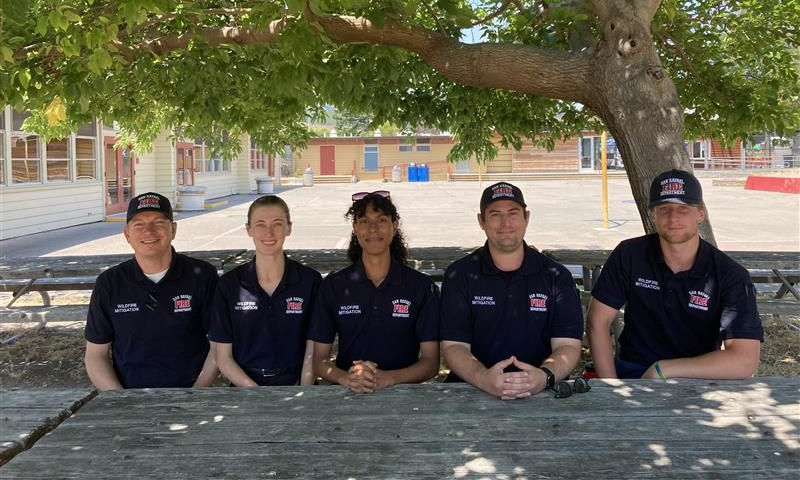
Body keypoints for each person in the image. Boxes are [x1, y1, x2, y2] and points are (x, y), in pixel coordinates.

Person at [587, 169, 762, 380]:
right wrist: (611, 387)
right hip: (633, 372)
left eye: (683, 208)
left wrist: (663, 370)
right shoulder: (630, 254)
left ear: (701, 214)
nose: (673, 217)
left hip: (698, 376)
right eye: (664, 208)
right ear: (652, 214)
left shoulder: (729, 274)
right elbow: (597, 321)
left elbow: (744, 361)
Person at [440, 182, 584, 400]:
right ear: (481, 221)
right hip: (472, 389)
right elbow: (454, 346)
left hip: (541, 392)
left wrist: (544, 377)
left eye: (513, 213)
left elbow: (568, 345)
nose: (505, 223)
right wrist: (483, 378)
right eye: (495, 214)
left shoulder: (556, 276)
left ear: (526, 218)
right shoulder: (460, 274)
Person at [84, 192, 219, 390]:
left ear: (173, 230)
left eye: (158, 222)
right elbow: (96, 355)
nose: (149, 231)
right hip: (129, 397)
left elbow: (219, 345)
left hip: (193, 393)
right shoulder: (110, 283)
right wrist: (120, 399)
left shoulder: (202, 275)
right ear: (127, 234)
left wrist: (196, 393)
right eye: (139, 224)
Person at [309, 191, 440, 393]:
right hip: (347, 394)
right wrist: (347, 378)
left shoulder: (421, 287)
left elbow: (431, 363)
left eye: (381, 220)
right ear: (355, 228)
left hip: (405, 397)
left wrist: (389, 378)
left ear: (394, 226)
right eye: (364, 221)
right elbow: (319, 361)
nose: (373, 228)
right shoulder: (334, 286)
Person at [208, 195, 321, 386]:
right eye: (260, 224)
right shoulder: (229, 285)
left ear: (289, 228)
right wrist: (255, 394)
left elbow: (313, 348)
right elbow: (223, 357)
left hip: (297, 384)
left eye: (277, 224)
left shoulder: (310, 281)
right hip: (244, 387)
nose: (269, 232)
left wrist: (304, 393)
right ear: (248, 229)